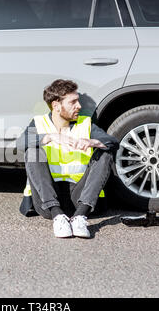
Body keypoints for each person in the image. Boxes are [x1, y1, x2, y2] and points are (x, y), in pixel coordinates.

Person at [17, 79, 119, 238]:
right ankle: (58, 217)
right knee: (32, 151)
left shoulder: (86, 124)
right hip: (48, 201)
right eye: (73, 102)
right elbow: (20, 143)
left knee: (105, 152)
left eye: (78, 101)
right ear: (56, 106)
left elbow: (113, 142)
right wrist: (51, 137)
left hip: (80, 198)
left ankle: (80, 218)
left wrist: (93, 142)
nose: (79, 106)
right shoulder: (39, 123)